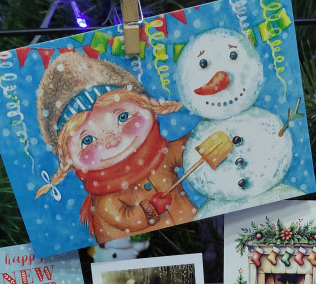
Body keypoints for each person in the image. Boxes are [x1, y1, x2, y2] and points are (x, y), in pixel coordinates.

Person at [36, 52, 196, 242]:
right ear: (68, 158)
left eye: (123, 117)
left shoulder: (161, 153)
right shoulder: (105, 198)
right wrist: (148, 210)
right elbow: (125, 217)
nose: (112, 141)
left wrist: (203, 138)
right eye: (87, 140)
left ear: (147, 106)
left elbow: (187, 149)